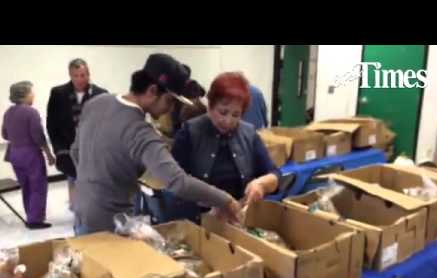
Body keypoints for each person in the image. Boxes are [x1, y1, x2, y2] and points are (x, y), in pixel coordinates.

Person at [70, 54, 242, 235]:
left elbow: (75, 152)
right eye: (170, 101)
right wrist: (226, 200)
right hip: (110, 226)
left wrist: (97, 181)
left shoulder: (96, 102)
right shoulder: (140, 132)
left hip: (81, 213)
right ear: (152, 90)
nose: (171, 109)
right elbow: (178, 183)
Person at [172, 72, 280, 209]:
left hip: (238, 218)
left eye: (236, 115)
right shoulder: (189, 133)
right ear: (210, 106)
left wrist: (261, 184)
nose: (228, 121)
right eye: (223, 112)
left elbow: (274, 174)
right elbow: (174, 181)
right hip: (199, 220)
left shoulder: (249, 134)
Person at [46, 58, 107, 210]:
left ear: (88, 74)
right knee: (74, 178)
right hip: (68, 147)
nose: (80, 79)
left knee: (94, 182)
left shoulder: (101, 94)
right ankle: (78, 210)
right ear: (70, 75)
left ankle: (93, 209)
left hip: (94, 148)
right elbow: (52, 124)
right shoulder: (58, 93)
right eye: (76, 75)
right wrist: (58, 150)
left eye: (83, 75)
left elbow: (106, 123)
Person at [2, 81, 56, 230]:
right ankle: (35, 220)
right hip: (30, 154)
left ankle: (30, 215)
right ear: (24, 95)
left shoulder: (8, 112)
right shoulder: (31, 112)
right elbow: (38, 136)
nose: (33, 95)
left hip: (14, 154)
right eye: (31, 92)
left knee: (26, 186)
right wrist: (49, 154)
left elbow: (4, 134)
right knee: (38, 186)